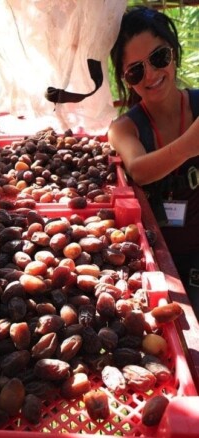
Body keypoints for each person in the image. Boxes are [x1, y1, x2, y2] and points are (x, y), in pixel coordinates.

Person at [108, 6, 199, 318]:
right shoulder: (125, 128)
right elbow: (139, 169)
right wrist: (188, 146)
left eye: (158, 57)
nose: (150, 75)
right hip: (162, 270)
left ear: (173, 53)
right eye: (135, 70)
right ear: (125, 79)